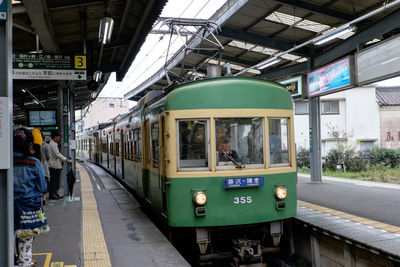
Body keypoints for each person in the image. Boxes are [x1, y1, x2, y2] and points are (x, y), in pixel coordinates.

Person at [13, 128, 49, 267]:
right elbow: (42, 187)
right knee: (25, 242)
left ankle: (11, 260)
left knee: (7, 238)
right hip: (28, 208)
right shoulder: (33, 162)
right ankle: (24, 263)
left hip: (7, 206)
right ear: (29, 144)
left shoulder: (6, 161)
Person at [48, 130, 72, 200]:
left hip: (56, 165)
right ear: (54, 137)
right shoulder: (52, 144)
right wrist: (66, 159)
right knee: (54, 181)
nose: (59, 138)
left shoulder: (54, 144)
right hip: (54, 165)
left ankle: (55, 193)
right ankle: (52, 194)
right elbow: (57, 154)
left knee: (56, 180)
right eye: (58, 137)